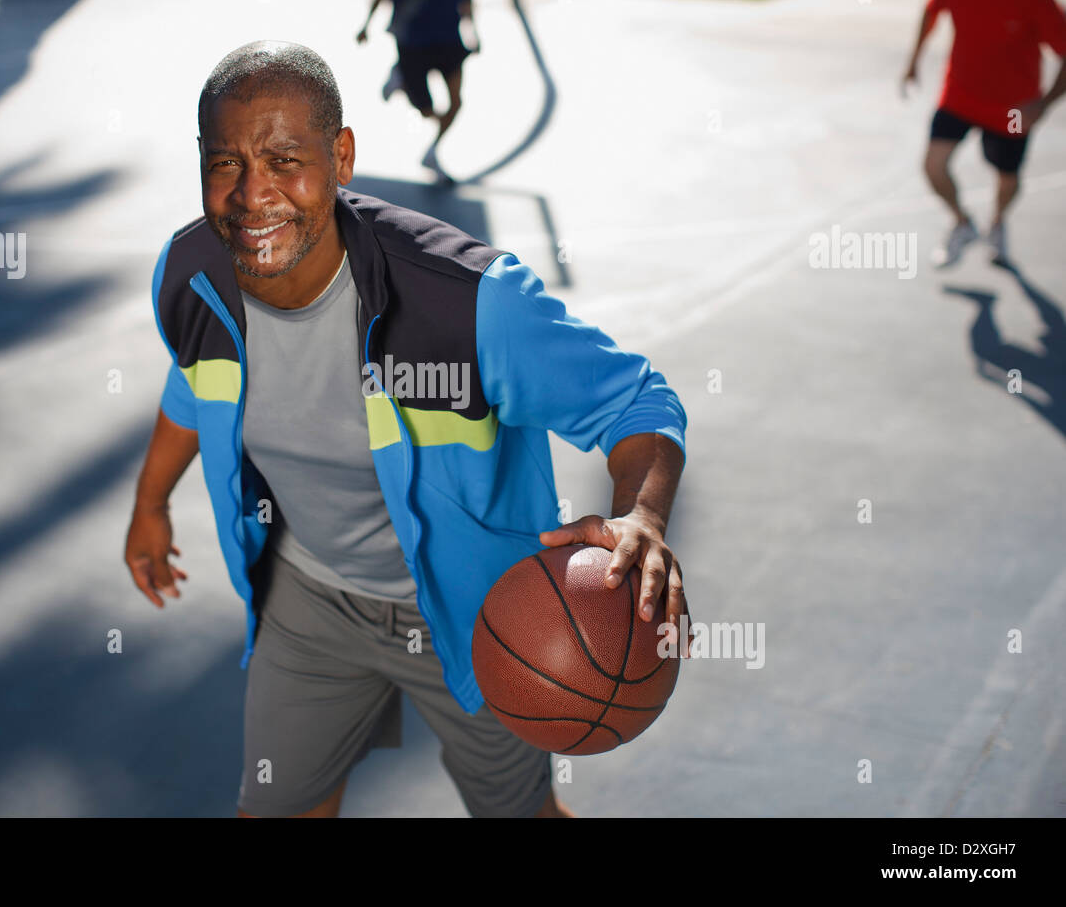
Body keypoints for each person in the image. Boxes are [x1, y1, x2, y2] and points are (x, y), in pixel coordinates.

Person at [125, 41, 688, 818]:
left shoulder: (467, 301)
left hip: (478, 612)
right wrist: (151, 501)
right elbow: (196, 382)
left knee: (519, 815)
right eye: (225, 163)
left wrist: (642, 515)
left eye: (286, 159)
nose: (253, 194)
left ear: (342, 155)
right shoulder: (192, 278)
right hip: (311, 599)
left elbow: (636, 403)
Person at [902, 0, 1066, 267]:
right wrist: (913, 62)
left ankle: (998, 222)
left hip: (1014, 109)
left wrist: (1043, 104)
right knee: (933, 166)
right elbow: (930, 10)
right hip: (959, 95)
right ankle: (963, 223)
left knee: (1008, 178)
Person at [356, 0, 482, 155]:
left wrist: (473, 31)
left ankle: (433, 152)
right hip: (414, 43)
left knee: (456, 102)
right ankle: (402, 78)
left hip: (449, 39)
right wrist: (366, 26)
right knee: (426, 111)